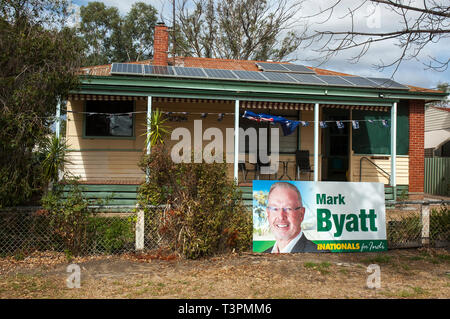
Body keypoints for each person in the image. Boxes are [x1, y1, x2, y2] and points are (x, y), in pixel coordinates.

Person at [264, 182, 320, 253]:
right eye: (275, 208)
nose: (281, 216)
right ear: (268, 213)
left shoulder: (320, 256)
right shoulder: (262, 256)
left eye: (288, 208)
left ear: (301, 214)